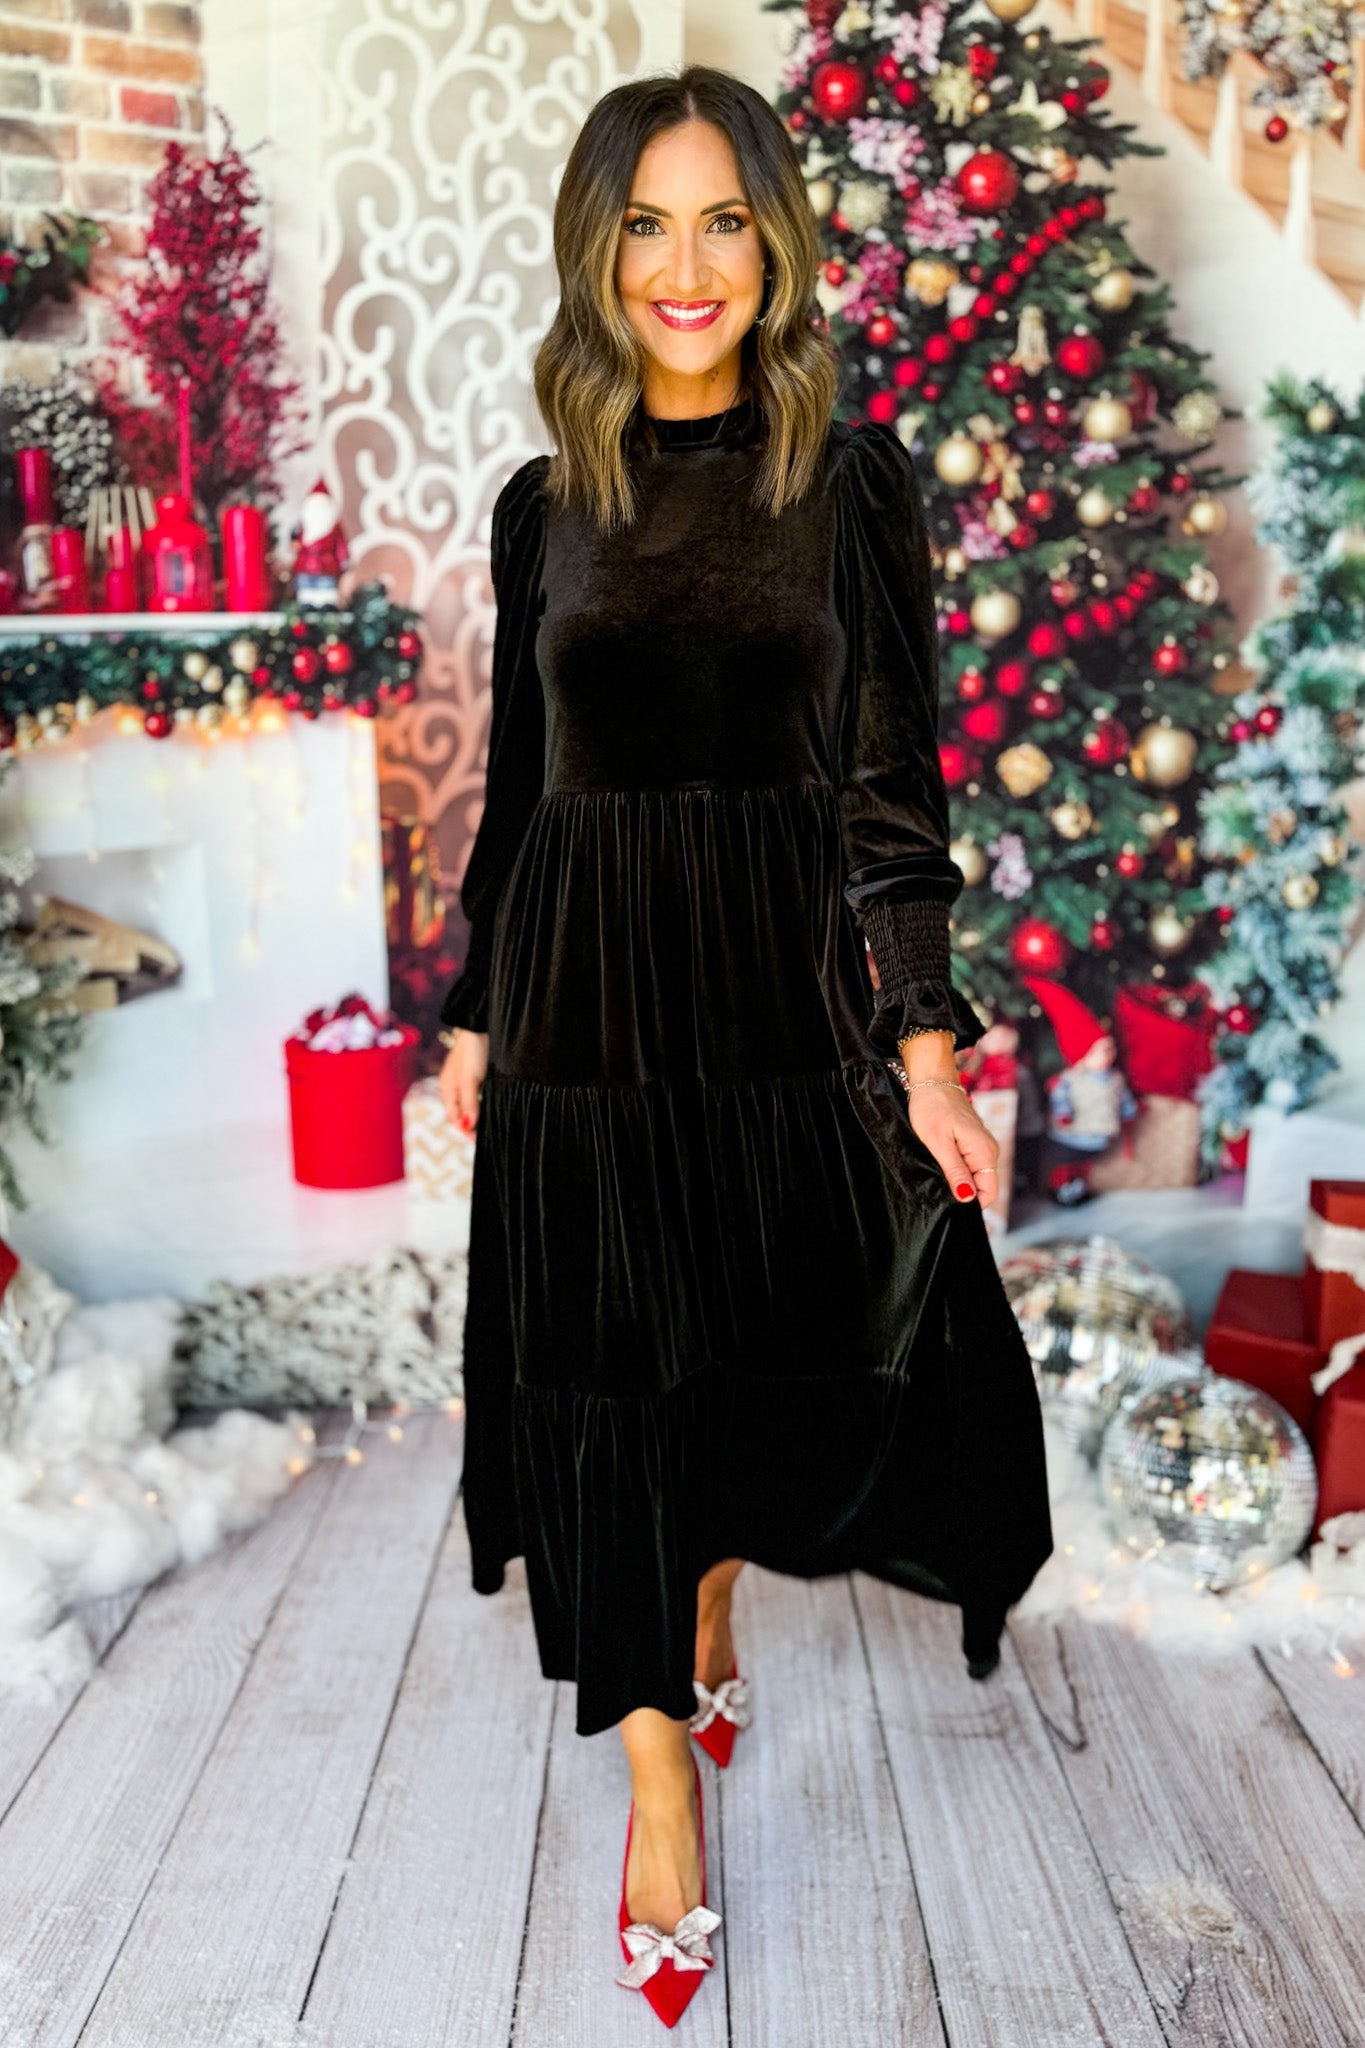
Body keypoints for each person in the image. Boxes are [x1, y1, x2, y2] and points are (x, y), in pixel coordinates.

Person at [437, 64, 1053, 2025]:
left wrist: (926, 1043)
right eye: (644, 225)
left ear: (773, 244)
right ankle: (658, 1799)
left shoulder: (844, 486)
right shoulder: (544, 503)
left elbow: (889, 791)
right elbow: (520, 786)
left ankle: (705, 1598)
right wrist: (474, 1011)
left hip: (780, 1005)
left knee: (759, 1347)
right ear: (595, 252)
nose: (683, 266)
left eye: (720, 221)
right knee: (611, 1390)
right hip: (578, 1010)